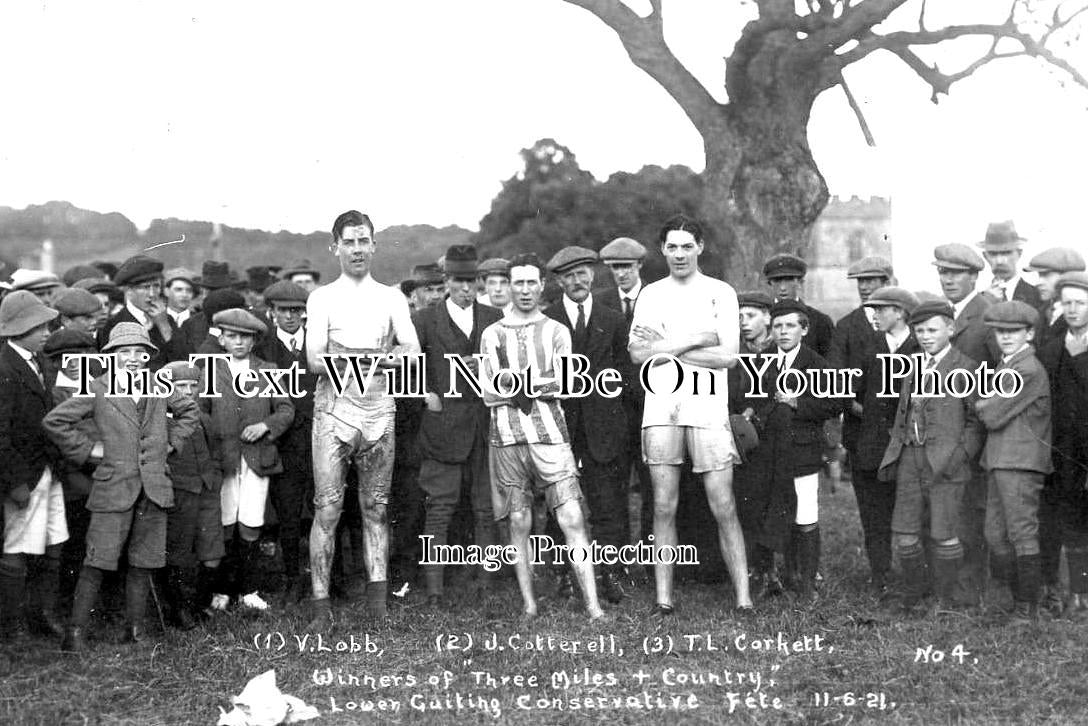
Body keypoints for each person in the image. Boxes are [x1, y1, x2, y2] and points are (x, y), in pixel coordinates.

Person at [43, 322, 199, 651]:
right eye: (123, 352)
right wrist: (89, 451)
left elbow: (189, 412)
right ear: (111, 355)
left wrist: (170, 444)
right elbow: (55, 422)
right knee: (98, 560)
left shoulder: (160, 385)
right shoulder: (98, 388)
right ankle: (76, 633)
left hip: (154, 488)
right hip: (113, 487)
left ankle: (135, 629)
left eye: (139, 352)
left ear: (148, 356)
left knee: (144, 561)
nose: (131, 358)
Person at [628, 214, 751, 615]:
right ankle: (664, 597)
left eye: (687, 246)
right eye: (672, 246)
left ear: (700, 247)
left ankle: (743, 598)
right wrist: (697, 338)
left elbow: (729, 357)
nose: (679, 254)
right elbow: (638, 353)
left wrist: (665, 345)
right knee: (663, 504)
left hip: (708, 407)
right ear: (662, 250)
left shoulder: (721, 292)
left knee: (723, 503)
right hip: (661, 406)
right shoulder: (650, 294)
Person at [305, 210, 420, 626]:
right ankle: (320, 606)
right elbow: (315, 359)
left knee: (375, 507)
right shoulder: (321, 298)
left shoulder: (391, 297)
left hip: (378, 410)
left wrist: (374, 358)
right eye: (349, 242)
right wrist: (373, 358)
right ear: (336, 246)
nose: (357, 249)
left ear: (374, 245)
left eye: (363, 241)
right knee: (328, 508)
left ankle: (378, 605)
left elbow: (412, 350)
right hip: (334, 411)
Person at [480, 253, 606, 620]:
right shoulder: (493, 333)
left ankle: (593, 606)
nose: (523, 290)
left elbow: (566, 384)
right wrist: (538, 384)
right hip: (506, 437)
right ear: (507, 286)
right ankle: (529, 603)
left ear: (540, 286)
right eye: (515, 282)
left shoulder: (556, 331)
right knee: (519, 521)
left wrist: (516, 384)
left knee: (571, 516)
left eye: (530, 282)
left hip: (551, 436)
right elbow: (487, 392)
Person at [878, 301, 984, 616]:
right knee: (905, 533)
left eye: (932, 330)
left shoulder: (967, 367)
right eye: (920, 330)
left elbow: (975, 423)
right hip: (911, 456)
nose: (925, 336)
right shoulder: (911, 364)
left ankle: (946, 596)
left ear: (950, 330)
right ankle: (915, 591)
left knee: (944, 532)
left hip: (947, 461)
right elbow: (903, 413)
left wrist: (960, 457)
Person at [412, 245, 502, 606]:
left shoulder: (495, 316)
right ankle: (434, 590)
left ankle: (486, 585)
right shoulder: (425, 320)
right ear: (446, 281)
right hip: (442, 428)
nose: (466, 289)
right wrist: (425, 396)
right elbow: (407, 368)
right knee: (440, 506)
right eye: (458, 281)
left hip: (485, 425)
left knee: (485, 507)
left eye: (471, 282)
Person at [544, 245, 630, 603]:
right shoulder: (547, 321)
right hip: (560, 429)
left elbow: (626, 374)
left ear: (593, 275)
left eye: (582, 274)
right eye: (568, 276)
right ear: (559, 281)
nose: (576, 281)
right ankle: (563, 576)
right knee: (558, 507)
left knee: (607, 503)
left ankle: (610, 574)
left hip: (604, 428)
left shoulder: (613, 320)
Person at [200, 308, 295, 611]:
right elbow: (198, 411)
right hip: (223, 459)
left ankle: (249, 589)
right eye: (232, 336)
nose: (238, 342)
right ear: (222, 339)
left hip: (256, 458)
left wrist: (265, 425)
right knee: (225, 522)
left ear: (254, 341)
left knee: (251, 523)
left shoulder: (267, 369)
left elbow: (285, 409)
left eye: (245, 337)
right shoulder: (210, 370)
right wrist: (213, 433)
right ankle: (222, 589)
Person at [974, 301, 1052, 622]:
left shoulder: (1027, 369)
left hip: (1020, 462)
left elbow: (990, 413)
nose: (1005, 337)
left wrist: (976, 400)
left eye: (1013, 331)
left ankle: (1027, 606)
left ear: (1029, 333)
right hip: (1000, 460)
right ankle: (1021, 595)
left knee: (1020, 533)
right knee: (995, 533)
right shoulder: (1008, 365)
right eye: (999, 332)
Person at [0, 292, 65, 639]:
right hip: (25, 475)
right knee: (17, 546)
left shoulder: (38, 362)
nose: (47, 332)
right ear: (19, 328)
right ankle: (13, 626)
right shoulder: (5, 367)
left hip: (48, 470)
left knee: (54, 542)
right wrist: (13, 482)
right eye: (39, 326)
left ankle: (44, 614)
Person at [852, 286, 920, 595]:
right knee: (874, 515)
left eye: (882, 309)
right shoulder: (869, 346)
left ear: (901, 313)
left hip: (909, 448)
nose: (875, 315)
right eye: (873, 309)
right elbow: (851, 395)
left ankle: (916, 579)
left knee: (910, 513)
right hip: (871, 447)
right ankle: (880, 574)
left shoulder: (920, 349)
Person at [255, 281, 317, 603]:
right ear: (272, 313)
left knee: (326, 509)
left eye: (296, 311)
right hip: (284, 443)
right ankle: (292, 577)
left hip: (320, 438)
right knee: (289, 514)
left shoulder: (318, 343)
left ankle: (329, 577)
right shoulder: (263, 348)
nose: (290, 317)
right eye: (283, 311)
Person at [1037, 272, 1088, 618]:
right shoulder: (1051, 350)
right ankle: (1059, 589)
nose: (1071, 310)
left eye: (1079, 303)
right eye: (1065, 303)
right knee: (1058, 518)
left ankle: (1081, 591)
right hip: (1058, 450)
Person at [161, 361, 224, 628]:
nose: (187, 392)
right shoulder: (160, 421)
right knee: (178, 551)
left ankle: (200, 603)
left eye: (193, 386)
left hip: (207, 488)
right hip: (180, 490)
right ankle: (178, 608)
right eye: (180, 386)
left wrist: (216, 473)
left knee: (212, 551)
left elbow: (216, 449)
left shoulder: (204, 418)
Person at [98, 255, 176, 370]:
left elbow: (181, 361)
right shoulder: (112, 325)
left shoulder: (166, 319)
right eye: (145, 287)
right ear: (129, 291)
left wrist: (164, 326)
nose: (152, 294)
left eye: (156, 286)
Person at [761, 253, 833, 358]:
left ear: (800, 282)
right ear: (770, 283)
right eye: (777, 280)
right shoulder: (761, 319)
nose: (782, 287)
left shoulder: (820, 321)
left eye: (788, 280)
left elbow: (829, 364)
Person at [978, 221, 1042, 308]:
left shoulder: (1038, 296)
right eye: (993, 254)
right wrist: (985, 304)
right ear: (985, 256)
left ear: (1019, 254)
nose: (999, 261)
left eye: (1006, 253)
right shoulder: (978, 301)